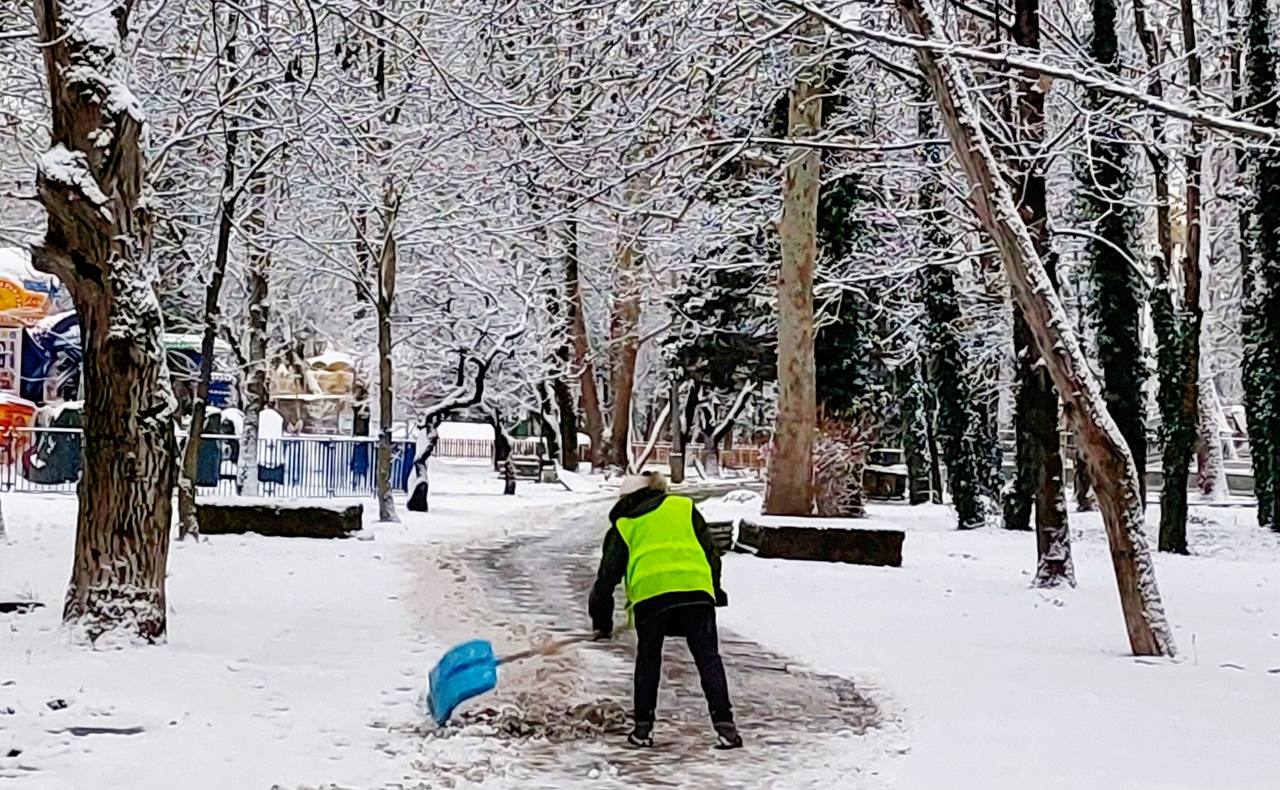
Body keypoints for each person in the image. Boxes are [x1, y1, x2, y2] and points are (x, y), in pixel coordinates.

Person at [589, 471, 743, 750]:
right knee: (708, 659)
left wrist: (602, 623)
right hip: (696, 592)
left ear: (626, 498)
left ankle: (642, 730)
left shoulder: (624, 525)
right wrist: (714, 590)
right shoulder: (683, 507)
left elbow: (606, 579)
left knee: (649, 661)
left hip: (652, 597)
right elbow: (711, 554)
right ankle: (726, 727)